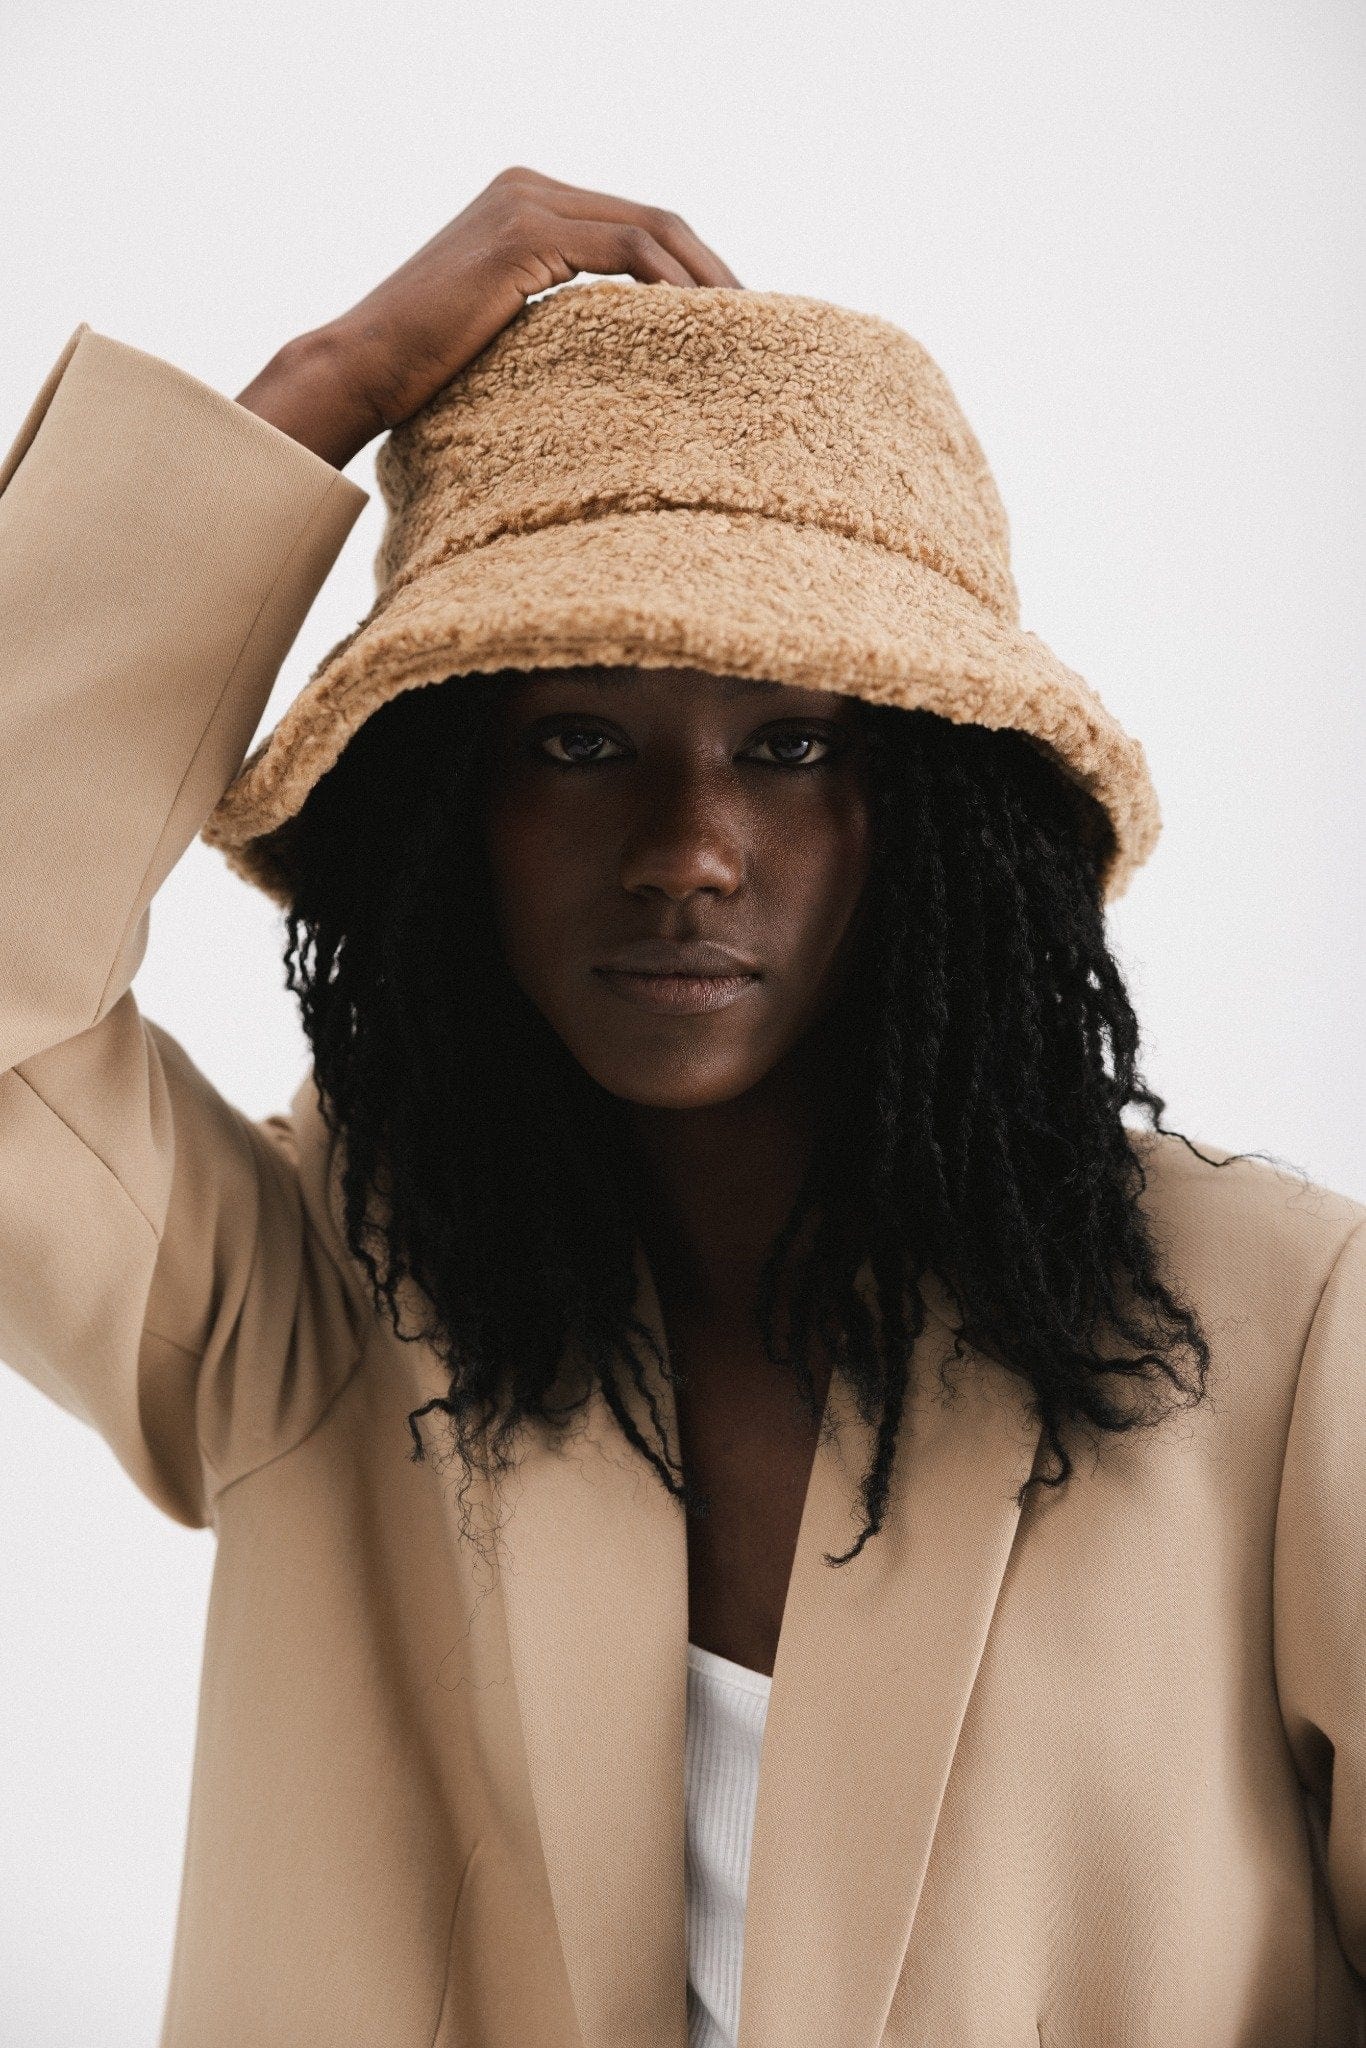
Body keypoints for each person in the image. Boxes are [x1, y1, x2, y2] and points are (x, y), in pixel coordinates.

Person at [1, 166, 1362, 2048]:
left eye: (792, 747)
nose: (688, 852)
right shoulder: (325, 1292)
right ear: (442, 812)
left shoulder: (1283, 1328)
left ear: (943, 815)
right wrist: (334, 375)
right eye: (575, 742)